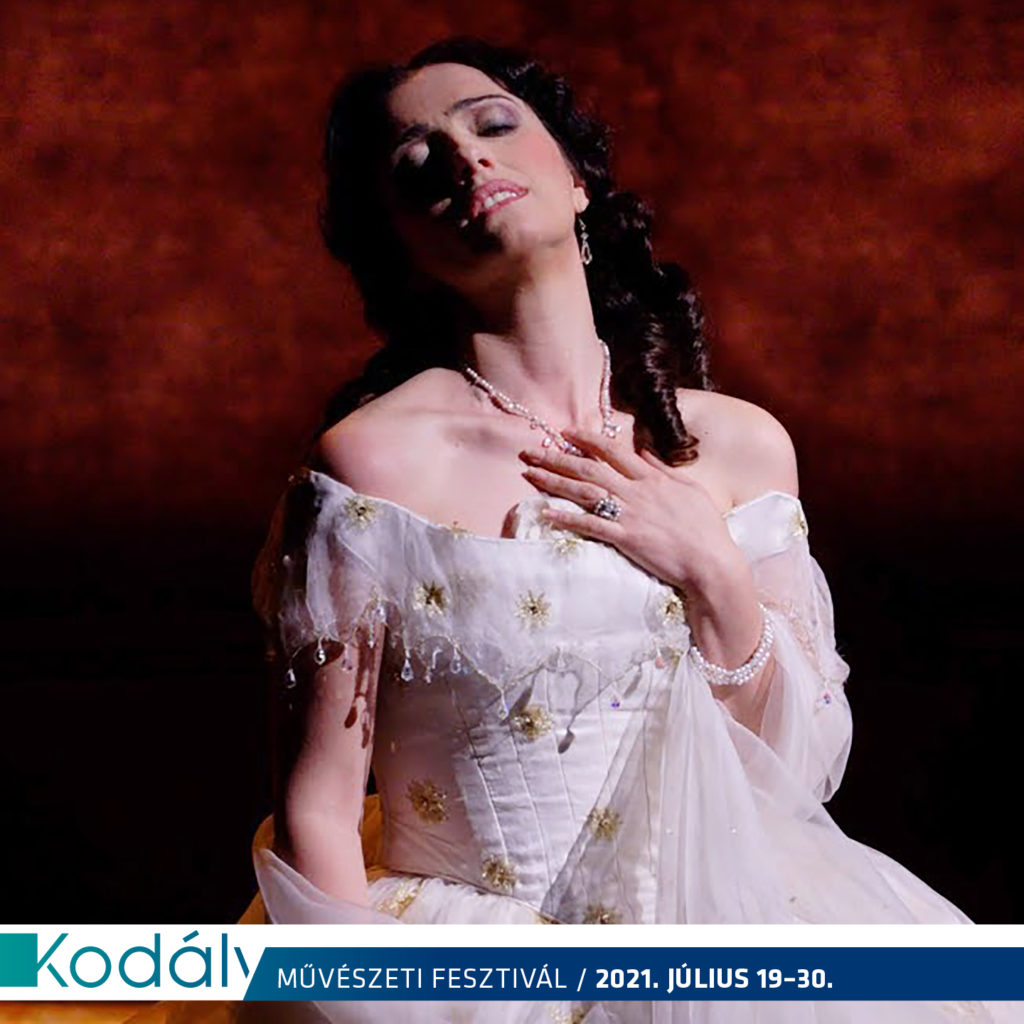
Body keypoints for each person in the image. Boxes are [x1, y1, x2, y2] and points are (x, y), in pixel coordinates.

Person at [160, 35, 1020, 1024]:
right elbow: (316, 807)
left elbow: (801, 766)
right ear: (400, 246)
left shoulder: (739, 446)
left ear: (576, 180)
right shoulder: (370, 465)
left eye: (492, 124)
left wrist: (712, 572)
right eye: (417, 164)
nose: (465, 157)